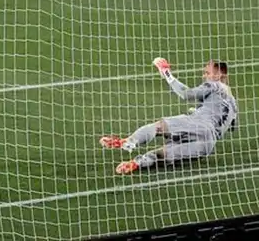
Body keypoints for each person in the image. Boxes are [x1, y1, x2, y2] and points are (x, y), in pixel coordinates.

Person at [101, 59, 238, 175]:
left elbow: (186, 94)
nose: (204, 76)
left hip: (198, 125)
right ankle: (136, 163)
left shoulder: (215, 85)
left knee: (159, 127)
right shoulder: (233, 103)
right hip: (207, 145)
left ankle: (128, 142)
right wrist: (200, 111)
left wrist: (167, 75)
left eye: (207, 73)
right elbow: (231, 126)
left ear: (219, 74)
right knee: (163, 154)